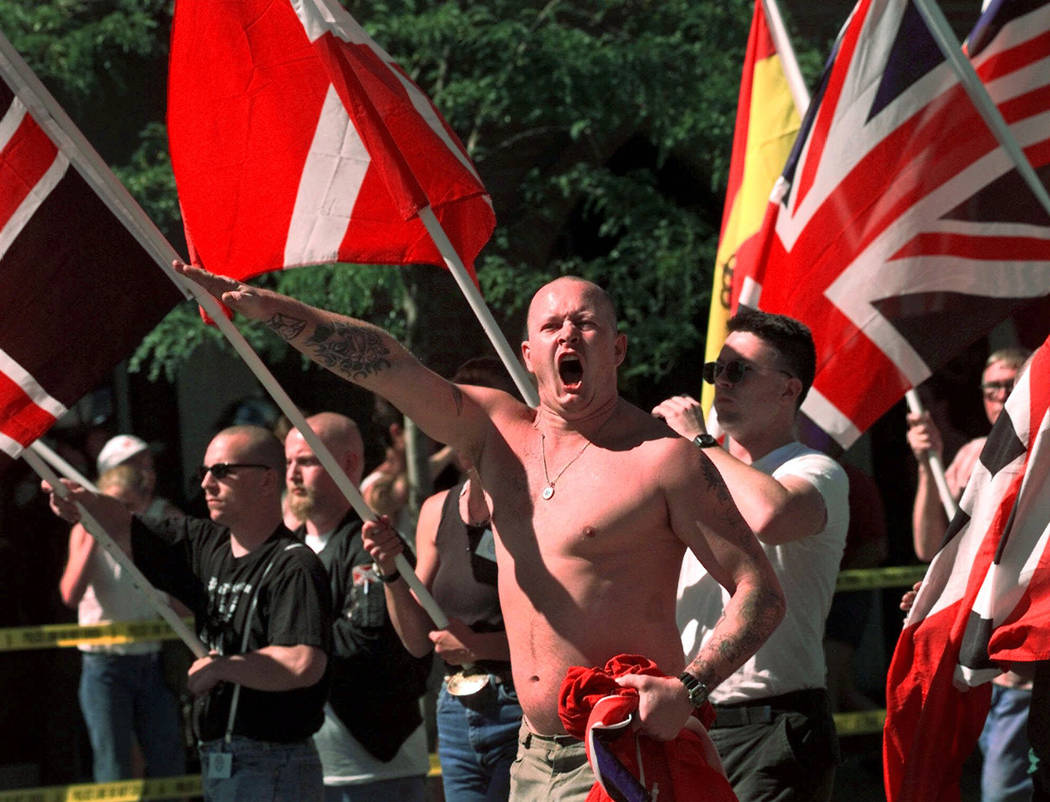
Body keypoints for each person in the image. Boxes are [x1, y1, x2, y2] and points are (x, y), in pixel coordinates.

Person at [176, 261, 786, 800]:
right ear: (526, 355)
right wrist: (267, 309)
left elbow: (759, 588)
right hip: (530, 755)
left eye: (586, 323)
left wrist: (689, 686)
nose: (568, 333)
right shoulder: (496, 434)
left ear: (619, 348)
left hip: (621, 753)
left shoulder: (664, 459)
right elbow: (389, 366)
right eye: (551, 326)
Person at [44, 425, 332, 802]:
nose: (207, 484)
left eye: (223, 471)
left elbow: (302, 661)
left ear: (266, 481)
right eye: (203, 473)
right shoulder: (203, 542)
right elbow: (124, 524)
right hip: (222, 758)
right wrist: (84, 503)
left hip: (273, 761)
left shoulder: (294, 565)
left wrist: (223, 666)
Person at [653, 309, 849, 802]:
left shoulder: (816, 469)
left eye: (738, 370)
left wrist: (699, 443)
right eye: (716, 370)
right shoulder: (694, 471)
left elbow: (771, 516)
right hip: (692, 719)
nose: (722, 383)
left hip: (774, 726)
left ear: (789, 388)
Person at [363, 357, 523, 802]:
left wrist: (480, 646)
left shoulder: (538, 505)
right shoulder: (436, 510)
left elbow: (566, 626)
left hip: (525, 707)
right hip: (455, 709)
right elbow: (417, 641)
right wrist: (390, 570)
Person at [285, 412, 433, 801]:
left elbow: (365, 645)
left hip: (377, 772)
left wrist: (282, 639)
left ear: (348, 464)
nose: (292, 475)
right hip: (306, 772)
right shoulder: (287, 550)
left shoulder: (377, 548)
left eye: (306, 461)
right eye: (288, 463)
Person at [906, 346, 1032, 802]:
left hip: (1027, 672)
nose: (1001, 395)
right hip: (977, 670)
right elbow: (929, 547)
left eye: (1012, 384)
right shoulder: (974, 457)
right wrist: (927, 464)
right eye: (991, 387)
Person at [59, 464, 185, 784]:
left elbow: (182, 606)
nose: (118, 514)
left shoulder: (150, 537)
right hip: (105, 662)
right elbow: (70, 593)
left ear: (142, 505)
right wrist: (92, 531)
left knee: (167, 759)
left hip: (151, 659)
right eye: (111, 504)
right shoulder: (84, 533)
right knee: (114, 766)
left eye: (127, 506)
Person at [95, 434, 182, 521]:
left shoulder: (170, 517)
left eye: (148, 465)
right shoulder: (96, 522)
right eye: (134, 466)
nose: (146, 473)